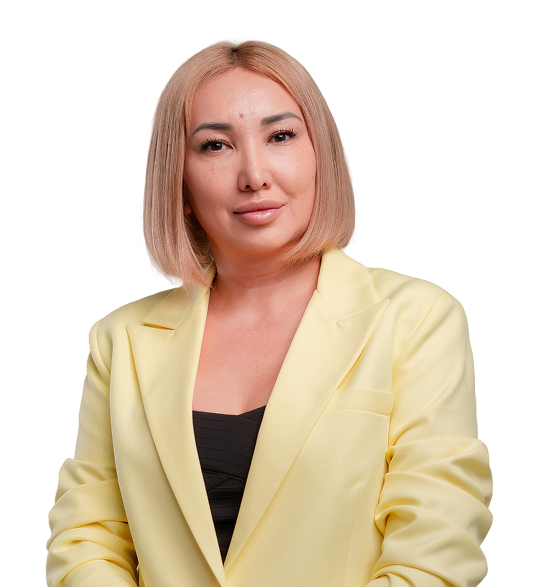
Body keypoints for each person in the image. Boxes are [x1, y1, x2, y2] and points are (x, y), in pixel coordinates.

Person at [45, 34, 493, 586]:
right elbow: (87, 538)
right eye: (216, 145)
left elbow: (435, 551)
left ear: (319, 155)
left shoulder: (419, 319)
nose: (254, 175)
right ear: (178, 179)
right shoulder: (120, 340)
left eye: (280, 136)